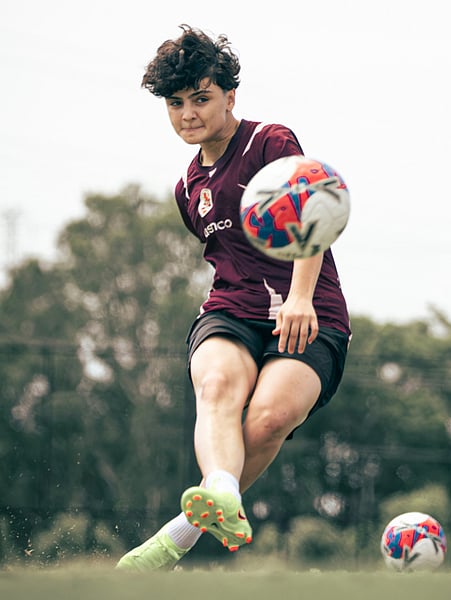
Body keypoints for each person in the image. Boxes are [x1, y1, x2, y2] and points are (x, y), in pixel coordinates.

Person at [116, 25, 350, 572]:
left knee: (269, 419)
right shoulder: (187, 189)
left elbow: (310, 207)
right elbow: (226, 260)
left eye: (200, 98)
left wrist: (299, 297)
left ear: (229, 96)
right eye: (175, 104)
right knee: (217, 384)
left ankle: (178, 535)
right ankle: (221, 487)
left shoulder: (270, 142)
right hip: (230, 310)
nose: (188, 114)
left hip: (310, 310)